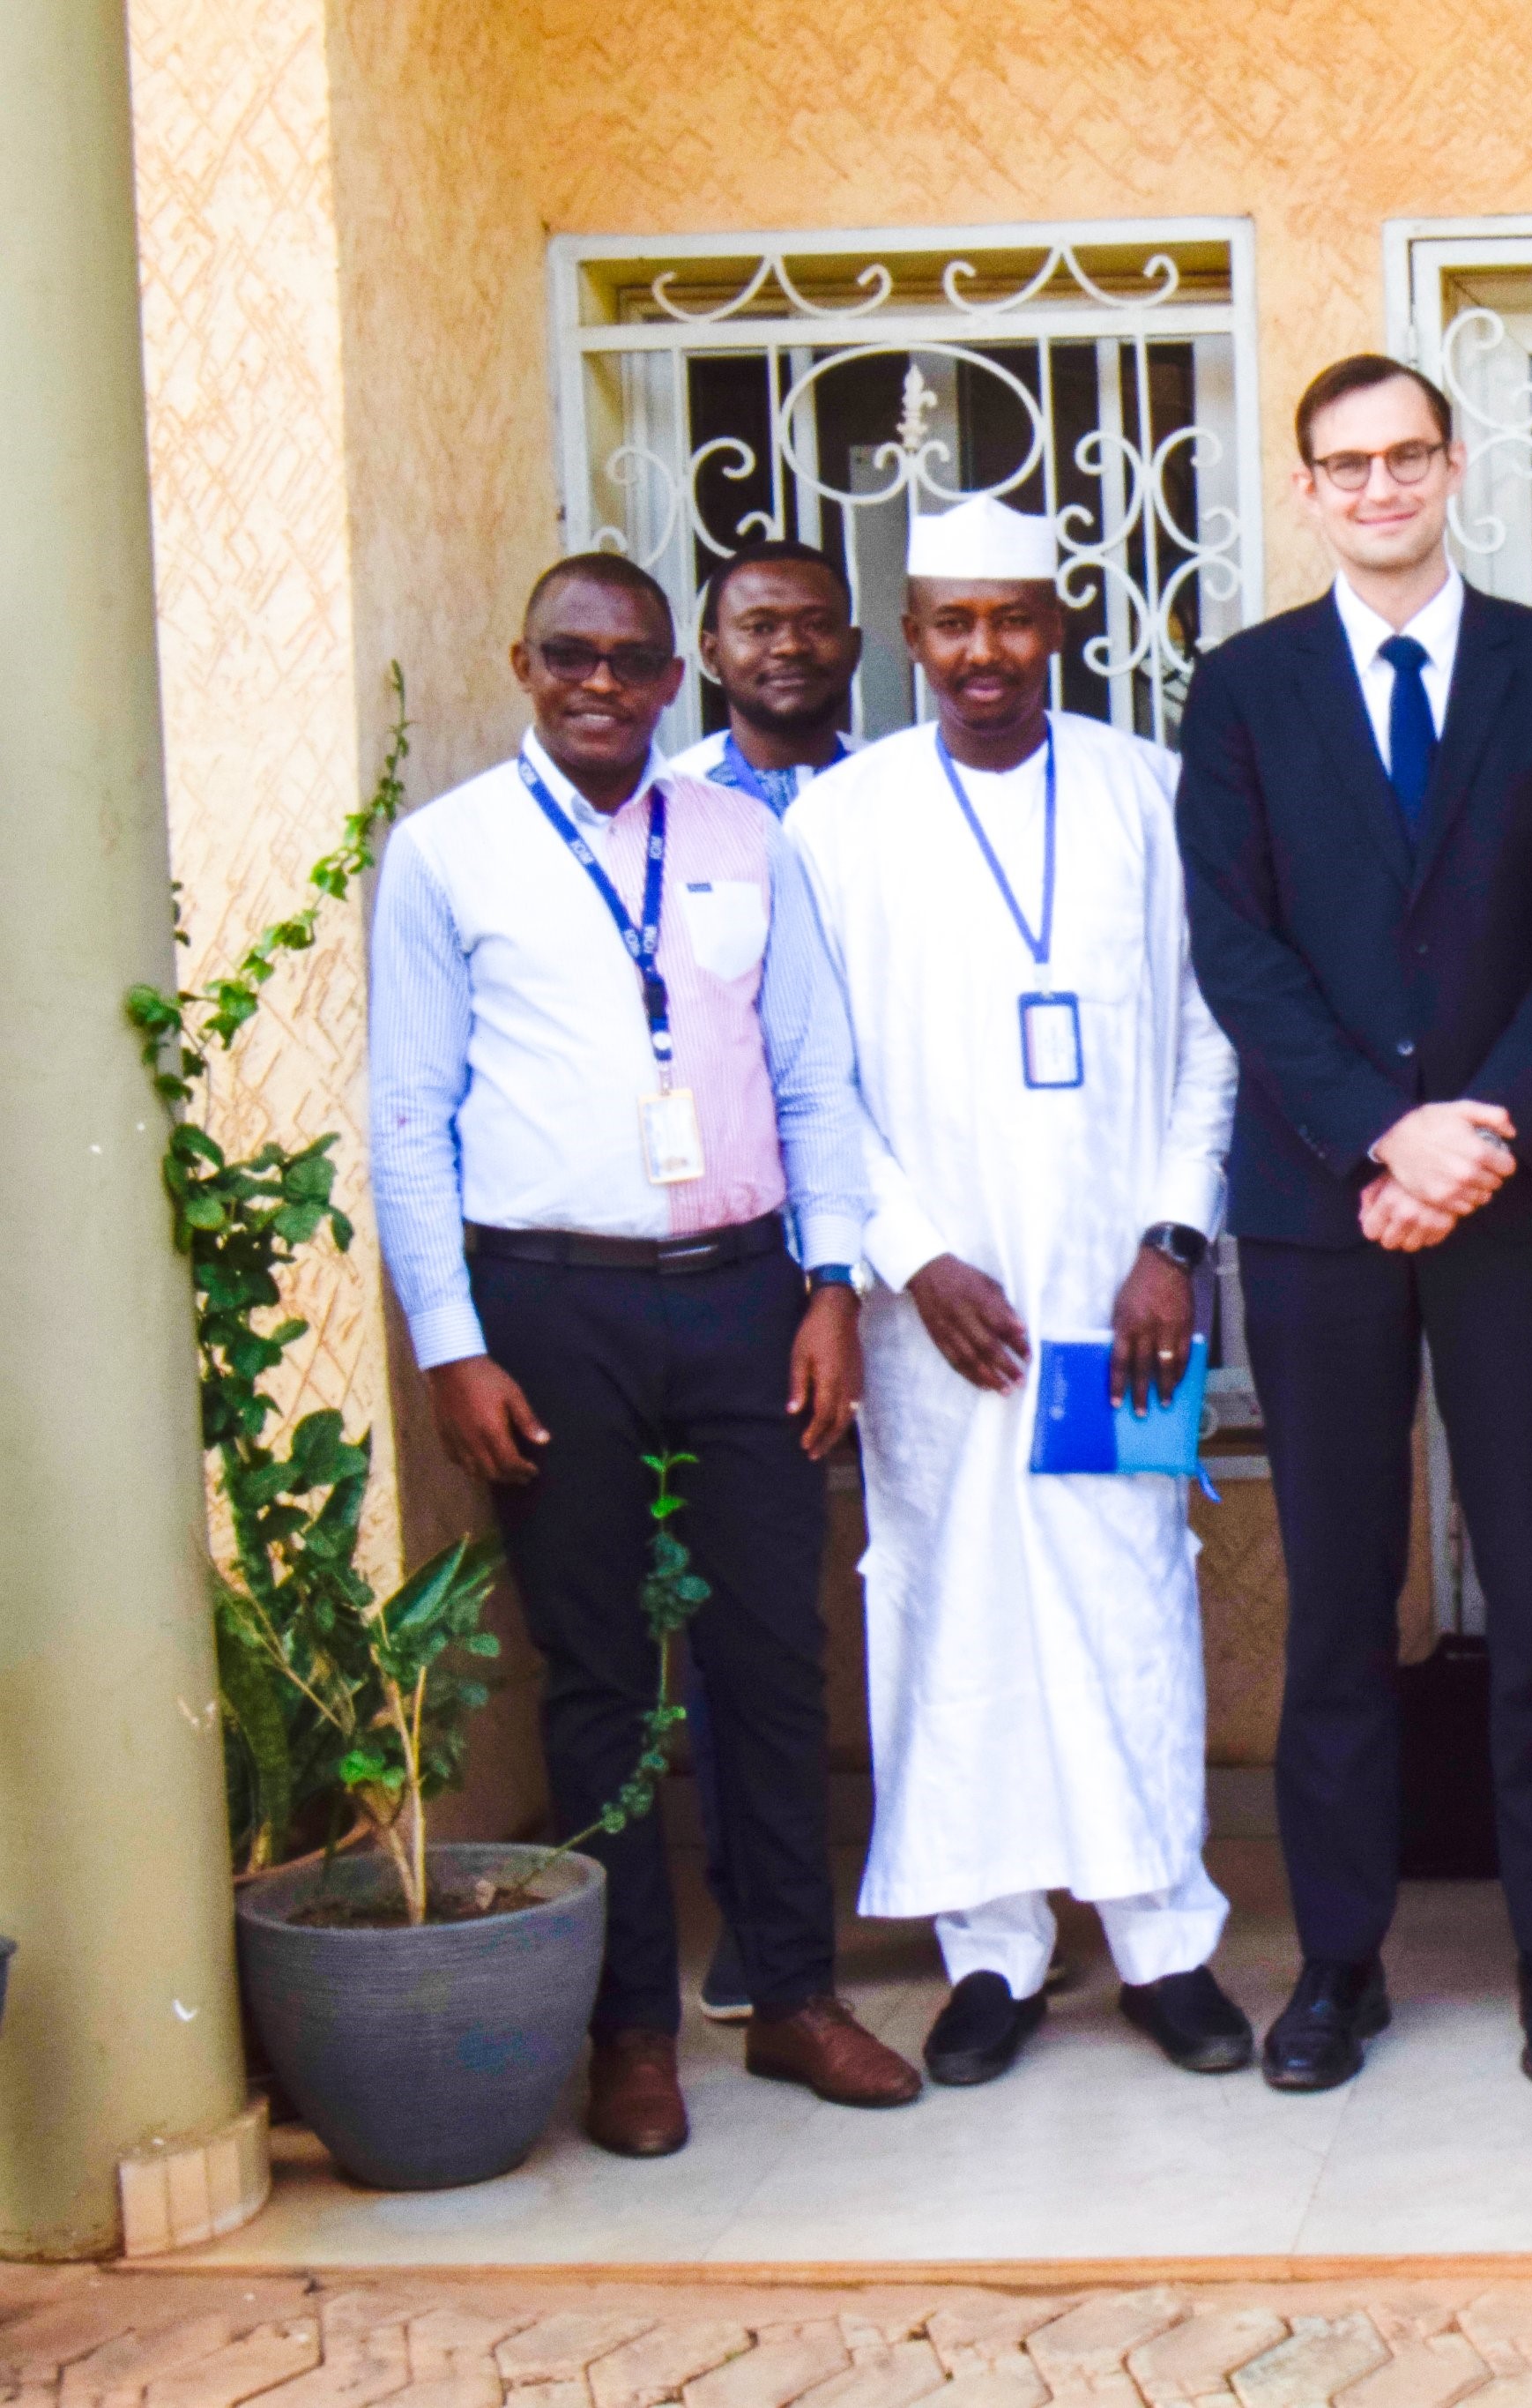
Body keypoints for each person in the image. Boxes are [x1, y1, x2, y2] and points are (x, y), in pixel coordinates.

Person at [368, 553, 921, 2158]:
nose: (599, 684)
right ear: (523, 664)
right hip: (552, 1303)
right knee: (601, 1672)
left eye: (629, 660)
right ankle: (631, 2034)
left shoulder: (751, 838)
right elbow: (409, 1118)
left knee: (773, 1653)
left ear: (678, 679)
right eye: (568, 656)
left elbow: (813, 1077)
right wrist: (452, 1345)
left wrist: (829, 1284)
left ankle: (798, 2000)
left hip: (747, 1288)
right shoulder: (450, 852)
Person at [1179, 354, 1532, 2095]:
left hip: (1514, 1202)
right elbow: (1237, 946)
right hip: (1318, 1206)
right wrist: (1382, 1131)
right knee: (1339, 1600)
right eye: (1343, 464)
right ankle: (1338, 1965)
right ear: (1304, 489)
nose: (1376, 487)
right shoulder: (1240, 691)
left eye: (1403, 456)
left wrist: (1475, 1138)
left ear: (1453, 468)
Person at [785, 496, 1247, 2089]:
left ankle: (1162, 1941)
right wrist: (906, 1256)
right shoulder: (837, 823)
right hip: (942, 1320)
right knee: (945, 1597)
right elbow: (815, 1073)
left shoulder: (1151, 792)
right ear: (908, 636)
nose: (985, 652)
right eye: (952, 623)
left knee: (1133, 1589)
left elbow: (1212, 1031)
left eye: (1015, 620)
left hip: (1126, 1305)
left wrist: (1174, 1239)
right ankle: (992, 1952)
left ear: (1059, 627)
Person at [658, 534, 866, 2027]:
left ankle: (972, 1892)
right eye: (753, 626)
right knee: (747, 1604)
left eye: (809, 624)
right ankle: (760, 1909)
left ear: (857, 643)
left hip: (909, 1247)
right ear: (711, 655)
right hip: (739, 1258)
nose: (783, 647)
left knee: (933, 1575)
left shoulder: (901, 798)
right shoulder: (663, 814)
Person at [670, 540, 865, 816]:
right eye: (760, 628)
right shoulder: (670, 798)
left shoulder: (898, 786)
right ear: (712, 654)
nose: (791, 646)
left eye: (817, 625)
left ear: (853, 649)